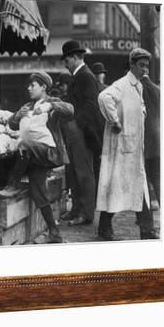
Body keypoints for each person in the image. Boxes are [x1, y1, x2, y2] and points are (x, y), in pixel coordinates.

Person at [0, 72, 73, 243]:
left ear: (44, 87)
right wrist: (17, 115)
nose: (29, 88)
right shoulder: (28, 106)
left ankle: (13, 184)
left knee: (25, 146)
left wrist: (50, 106)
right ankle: (54, 232)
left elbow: (70, 110)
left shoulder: (52, 101)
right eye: (29, 85)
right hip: (33, 155)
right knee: (38, 192)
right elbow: (12, 124)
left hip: (48, 152)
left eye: (33, 85)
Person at [96, 48, 159, 240]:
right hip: (123, 148)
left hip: (134, 148)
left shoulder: (138, 86)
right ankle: (105, 228)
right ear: (131, 65)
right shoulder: (122, 85)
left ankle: (145, 230)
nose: (144, 70)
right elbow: (104, 97)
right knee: (116, 188)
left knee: (137, 188)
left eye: (146, 66)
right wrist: (114, 121)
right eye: (141, 66)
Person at [59, 40, 104, 226]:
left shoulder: (86, 76)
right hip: (74, 131)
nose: (65, 63)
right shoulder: (79, 76)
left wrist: (77, 123)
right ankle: (76, 209)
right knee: (73, 172)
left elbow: (91, 106)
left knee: (84, 172)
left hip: (82, 132)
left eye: (67, 60)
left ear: (76, 58)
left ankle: (86, 213)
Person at [141, 73, 160, 207]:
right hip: (157, 139)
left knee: (143, 180)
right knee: (157, 178)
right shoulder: (158, 90)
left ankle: (146, 219)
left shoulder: (137, 89)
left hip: (142, 139)